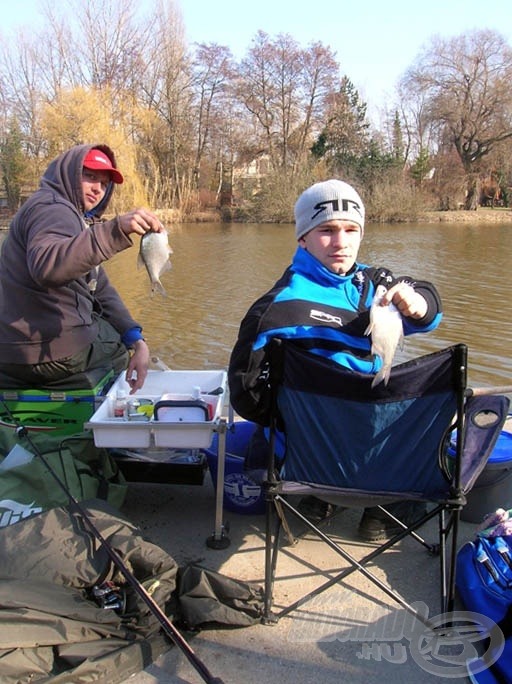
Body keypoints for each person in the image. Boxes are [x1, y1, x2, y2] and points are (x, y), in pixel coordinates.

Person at [228, 179, 443, 540]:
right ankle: (381, 510)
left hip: (307, 460)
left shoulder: (378, 286)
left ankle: (322, 498)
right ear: (302, 238)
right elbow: (243, 390)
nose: (341, 242)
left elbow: (246, 397)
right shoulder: (278, 311)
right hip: (380, 458)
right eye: (326, 230)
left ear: (361, 233)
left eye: (350, 229)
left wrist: (417, 302)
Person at [0, 143, 165, 394]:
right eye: (89, 176)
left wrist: (136, 338)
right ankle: (100, 414)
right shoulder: (53, 209)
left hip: (14, 348)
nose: (98, 188)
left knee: (111, 328)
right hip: (43, 351)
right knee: (115, 346)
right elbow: (46, 266)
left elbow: (99, 287)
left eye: (104, 182)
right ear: (68, 174)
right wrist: (115, 230)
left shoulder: (64, 214)